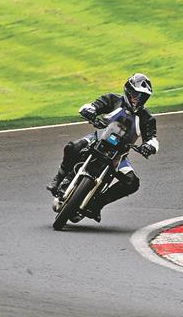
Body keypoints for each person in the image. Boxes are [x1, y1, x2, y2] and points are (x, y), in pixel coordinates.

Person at [46, 73, 159, 222]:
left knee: (132, 182)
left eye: (142, 96)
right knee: (72, 147)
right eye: (135, 94)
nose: (137, 99)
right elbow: (93, 106)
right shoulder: (112, 99)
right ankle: (59, 178)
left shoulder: (147, 119)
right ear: (128, 90)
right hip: (97, 139)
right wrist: (90, 110)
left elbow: (152, 139)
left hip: (119, 156)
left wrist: (149, 146)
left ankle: (98, 204)